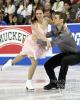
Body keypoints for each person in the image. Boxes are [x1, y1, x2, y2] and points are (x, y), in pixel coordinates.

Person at [1, 6, 51, 90]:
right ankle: (28, 82)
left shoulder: (46, 20)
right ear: (35, 14)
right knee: (34, 63)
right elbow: (39, 35)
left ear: (43, 14)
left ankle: (10, 63)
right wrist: (47, 41)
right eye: (37, 13)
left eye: (40, 13)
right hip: (32, 44)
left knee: (22, 55)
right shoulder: (34, 23)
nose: (38, 15)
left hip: (39, 45)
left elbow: (55, 23)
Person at [43, 12, 80, 90]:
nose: (53, 19)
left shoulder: (65, 34)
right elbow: (45, 35)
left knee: (65, 60)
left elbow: (51, 43)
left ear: (61, 20)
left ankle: (61, 84)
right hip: (65, 54)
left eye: (55, 18)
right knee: (48, 65)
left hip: (76, 56)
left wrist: (36, 41)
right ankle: (53, 83)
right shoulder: (56, 29)